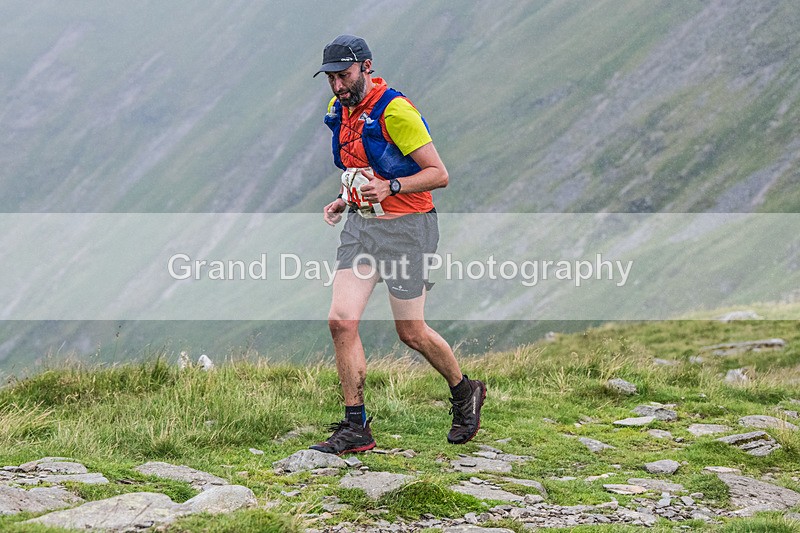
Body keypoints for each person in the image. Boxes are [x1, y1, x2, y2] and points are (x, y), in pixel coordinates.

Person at [309, 34, 486, 455]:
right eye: (331, 78)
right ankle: (357, 427)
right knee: (341, 321)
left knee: (411, 332)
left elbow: (439, 174)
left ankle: (465, 392)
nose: (337, 86)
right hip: (363, 228)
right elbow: (361, 166)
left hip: (410, 229)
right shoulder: (340, 111)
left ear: (366, 67)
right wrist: (344, 199)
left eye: (344, 76)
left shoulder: (397, 111)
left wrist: (390, 187)